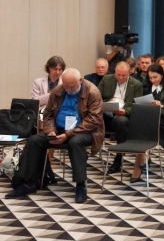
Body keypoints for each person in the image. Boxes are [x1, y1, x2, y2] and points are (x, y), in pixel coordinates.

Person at [6, 69, 104, 203]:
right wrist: (50, 130)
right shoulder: (58, 91)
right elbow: (47, 114)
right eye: (66, 86)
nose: (69, 89)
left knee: (75, 142)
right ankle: (28, 182)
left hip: (85, 131)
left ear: (80, 81)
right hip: (59, 129)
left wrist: (68, 134)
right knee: (34, 140)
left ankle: (81, 185)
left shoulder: (93, 92)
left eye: (72, 86)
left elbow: (94, 120)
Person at [128, 64, 164, 183]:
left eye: (155, 77)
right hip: (148, 121)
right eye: (150, 77)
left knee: (147, 119)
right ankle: (144, 155)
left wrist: (163, 106)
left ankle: (143, 156)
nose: (152, 80)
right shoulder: (146, 87)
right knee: (143, 117)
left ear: (162, 75)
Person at [98, 61, 144, 173]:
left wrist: (126, 111)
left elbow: (137, 105)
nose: (121, 77)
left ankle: (119, 156)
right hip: (106, 112)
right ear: (115, 71)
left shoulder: (136, 84)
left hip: (123, 114)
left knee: (121, 121)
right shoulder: (106, 79)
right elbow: (97, 96)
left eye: (124, 75)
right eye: (118, 74)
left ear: (129, 73)